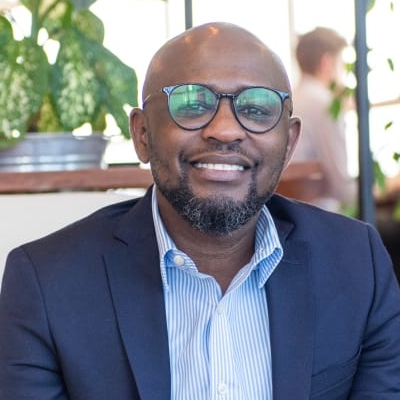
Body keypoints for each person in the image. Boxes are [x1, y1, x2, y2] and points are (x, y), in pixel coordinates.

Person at [1, 22, 400, 400]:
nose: (225, 130)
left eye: (257, 109)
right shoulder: (47, 284)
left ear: (289, 142)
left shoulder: (355, 262)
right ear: (142, 134)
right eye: (192, 104)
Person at [291, 27, 357, 212]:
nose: (343, 74)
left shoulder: (290, 100)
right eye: (342, 65)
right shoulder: (325, 105)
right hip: (322, 216)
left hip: (286, 215)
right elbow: (343, 190)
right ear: (327, 63)